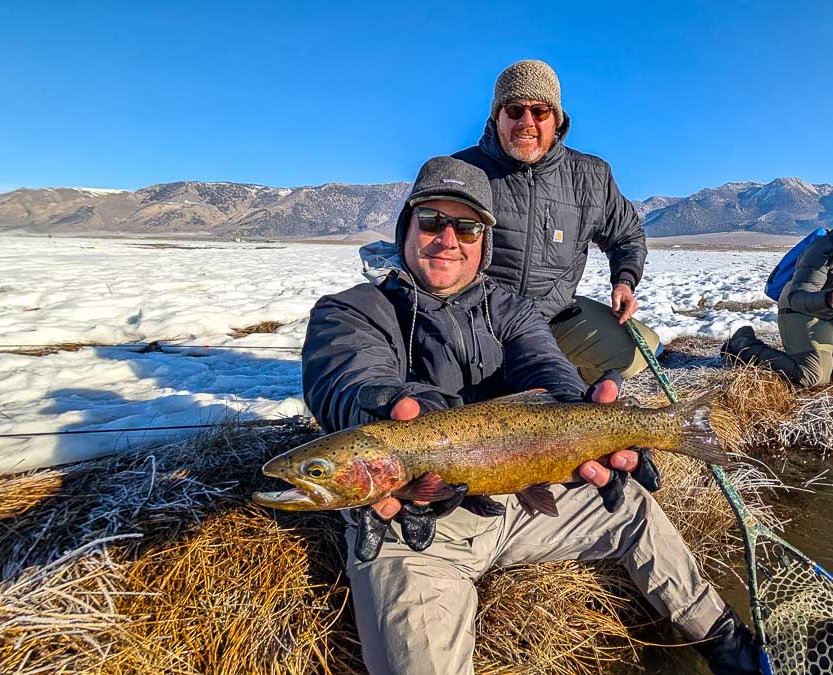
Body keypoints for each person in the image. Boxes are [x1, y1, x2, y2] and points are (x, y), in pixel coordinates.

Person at [302, 156, 758, 675]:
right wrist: (392, 405)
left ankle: (726, 642)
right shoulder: (352, 309)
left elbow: (545, 365)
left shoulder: (511, 308)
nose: (448, 238)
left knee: (629, 505)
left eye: (466, 227)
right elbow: (344, 381)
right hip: (414, 529)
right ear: (408, 228)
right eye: (432, 221)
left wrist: (584, 416)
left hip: (521, 498)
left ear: (483, 241)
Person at [451, 59, 661, 385]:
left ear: (557, 119)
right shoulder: (463, 172)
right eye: (514, 109)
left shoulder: (591, 176)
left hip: (554, 316)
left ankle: (567, 383)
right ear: (497, 116)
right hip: (477, 321)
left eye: (540, 111)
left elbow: (627, 235)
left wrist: (624, 281)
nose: (527, 122)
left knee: (639, 351)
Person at [721, 188, 833, 387]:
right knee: (812, 377)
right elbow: (797, 297)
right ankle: (744, 345)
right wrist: (832, 298)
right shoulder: (828, 246)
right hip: (801, 312)